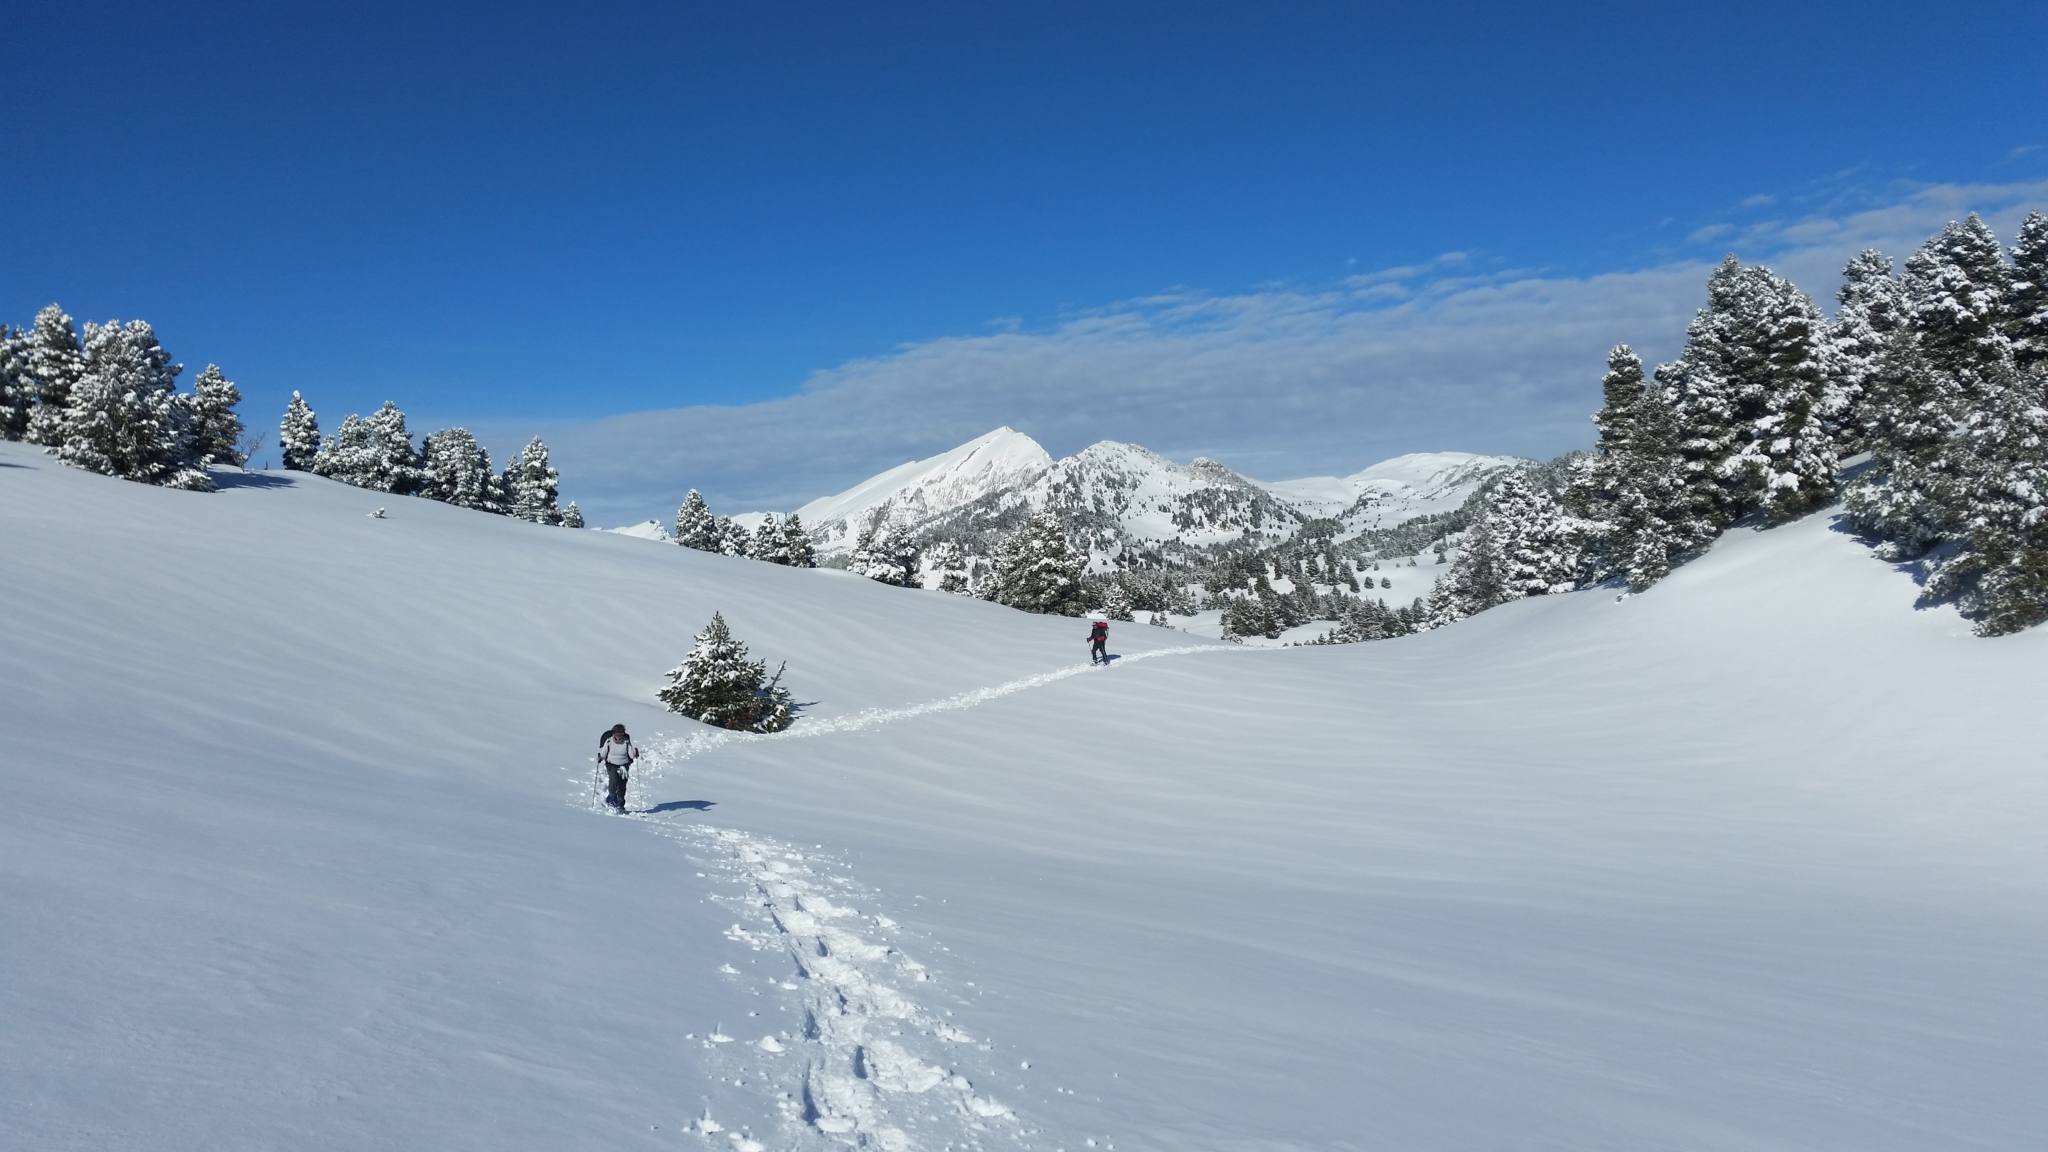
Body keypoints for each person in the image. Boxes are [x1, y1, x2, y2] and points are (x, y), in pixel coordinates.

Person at [596, 723, 638, 812]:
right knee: (614, 781)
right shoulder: (609, 741)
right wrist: (600, 758)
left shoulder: (626, 742)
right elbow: (603, 753)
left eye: (621, 734)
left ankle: (620, 803)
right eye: (617, 734)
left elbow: (631, 754)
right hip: (612, 764)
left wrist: (635, 754)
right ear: (613, 734)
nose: (619, 736)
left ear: (623, 734)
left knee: (622, 784)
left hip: (624, 764)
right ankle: (612, 799)